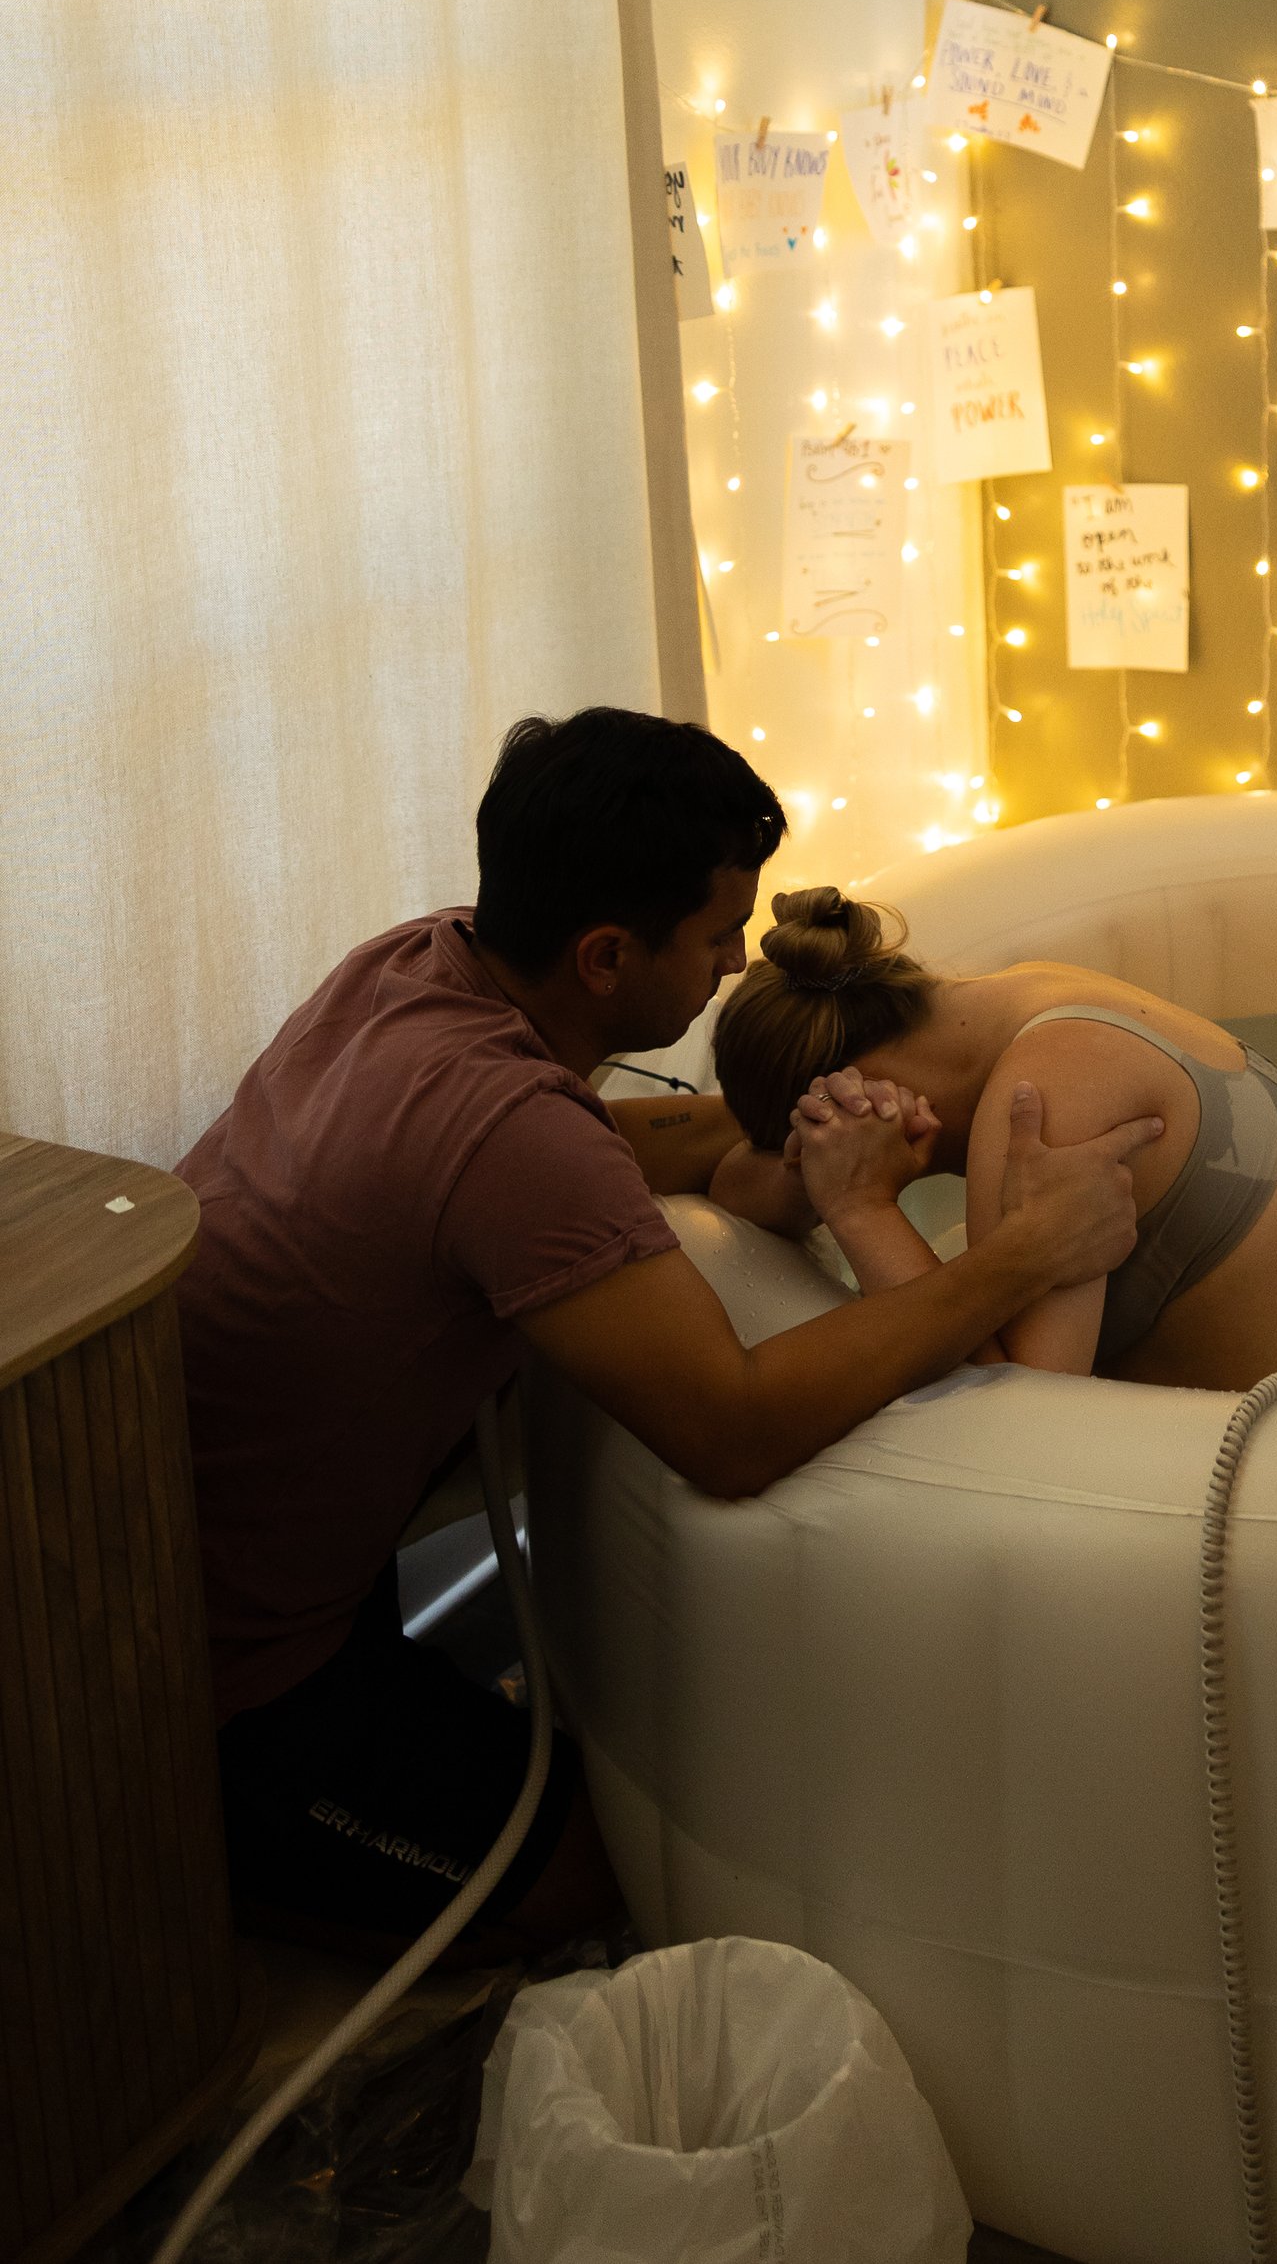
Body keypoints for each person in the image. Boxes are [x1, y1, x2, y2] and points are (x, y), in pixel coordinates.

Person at [179, 709, 1161, 1954]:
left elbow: (606, 1156)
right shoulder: (508, 1138)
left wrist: (798, 1147)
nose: (739, 964)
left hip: (221, 1561)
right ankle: (217, 1874)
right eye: (715, 937)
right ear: (604, 957)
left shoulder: (418, 965)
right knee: (611, 1869)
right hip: (224, 1685)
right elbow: (733, 1430)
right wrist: (1028, 1251)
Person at [711, 885, 1277, 1392]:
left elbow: (1016, 1432)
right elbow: (738, 1184)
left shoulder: (1047, 1096)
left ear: (853, 1087)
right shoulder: (1031, 993)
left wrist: (862, 1205)